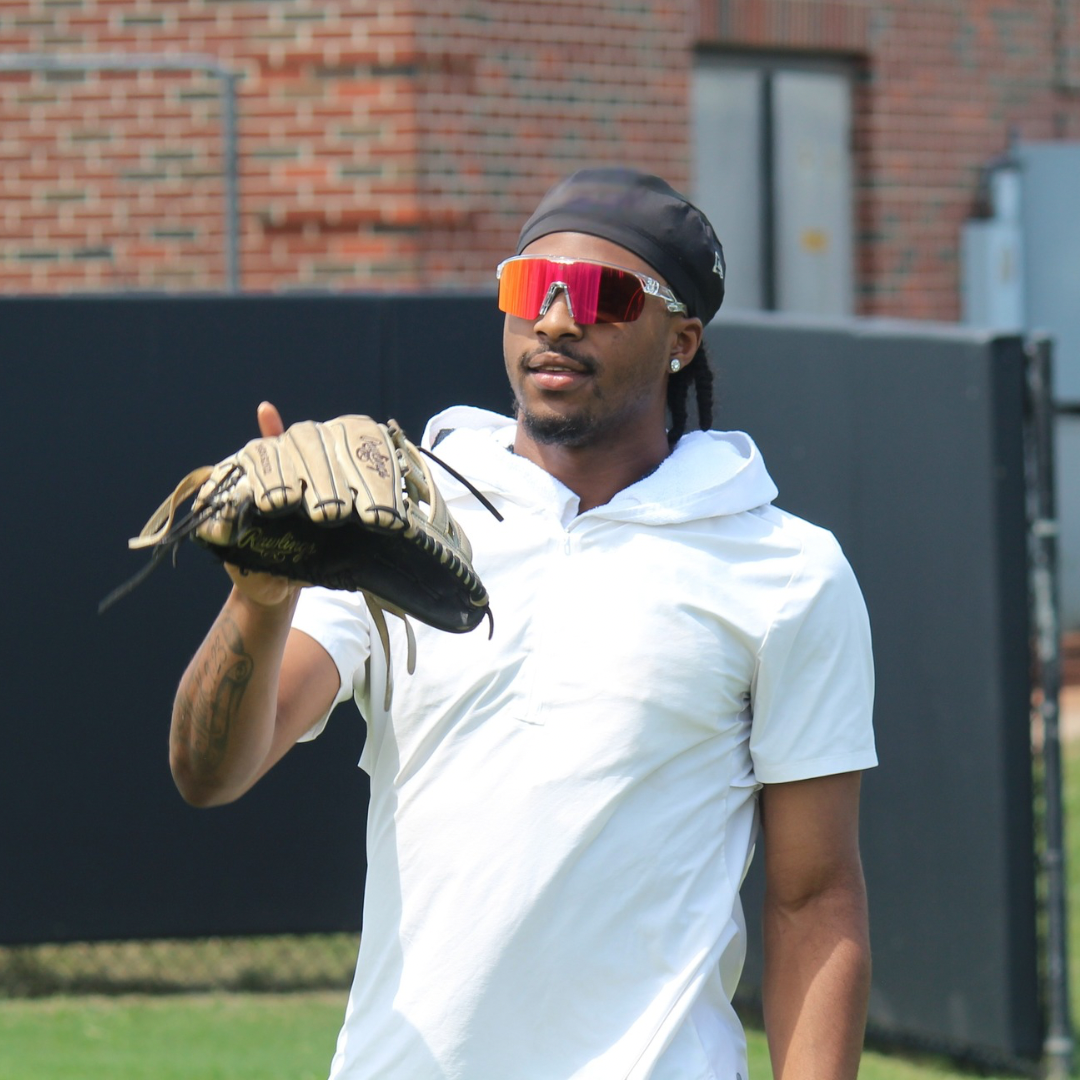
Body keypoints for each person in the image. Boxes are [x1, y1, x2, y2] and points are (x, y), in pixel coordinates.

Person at [169, 168, 877, 1080]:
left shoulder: (786, 571)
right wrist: (258, 600)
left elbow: (814, 901)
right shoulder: (397, 519)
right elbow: (208, 772)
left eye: (600, 295)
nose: (553, 318)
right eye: (526, 287)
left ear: (680, 339)